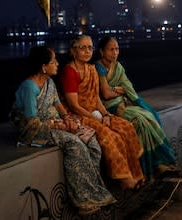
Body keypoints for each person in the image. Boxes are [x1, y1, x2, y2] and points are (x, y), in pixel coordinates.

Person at [9, 46, 116, 215]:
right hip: (36, 130)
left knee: (90, 138)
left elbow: (59, 105)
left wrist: (68, 119)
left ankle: (92, 189)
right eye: (53, 62)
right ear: (44, 66)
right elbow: (32, 122)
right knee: (74, 143)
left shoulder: (49, 82)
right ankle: (82, 200)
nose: (57, 64)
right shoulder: (30, 87)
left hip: (55, 122)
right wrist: (60, 125)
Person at [60, 35, 145, 190]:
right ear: (73, 51)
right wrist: (95, 118)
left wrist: (105, 114)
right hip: (80, 115)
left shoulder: (91, 69)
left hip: (96, 112)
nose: (87, 51)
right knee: (110, 136)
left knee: (126, 127)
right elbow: (73, 105)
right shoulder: (69, 72)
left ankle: (136, 173)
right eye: (83, 48)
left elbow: (96, 98)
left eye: (90, 47)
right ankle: (124, 179)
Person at [95, 36, 177, 180]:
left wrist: (120, 91)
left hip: (123, 104)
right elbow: (106, 94)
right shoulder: (98, 67)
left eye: (117, 49)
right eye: (111, 49)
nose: (115, 53)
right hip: (109, 109)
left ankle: (159, 162)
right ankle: (150, 166)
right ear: (102, 52)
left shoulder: (118, 67)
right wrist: (118, 89)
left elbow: (128, 87)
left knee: (149, 116)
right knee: (139, 121)